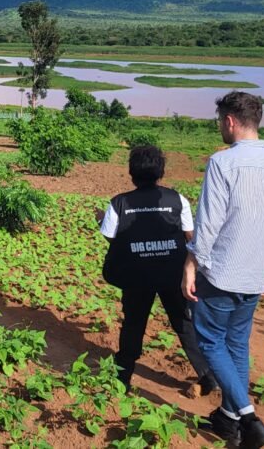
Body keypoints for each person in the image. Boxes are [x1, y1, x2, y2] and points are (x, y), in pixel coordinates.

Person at [183, 91, 264, 449]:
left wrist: (191, 263)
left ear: (230, 121)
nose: (220, 127)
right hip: (257, 273)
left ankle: (248, 418)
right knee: (236, 343)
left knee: (210, 340)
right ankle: (229, 420)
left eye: (220, 121)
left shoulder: (223, 164)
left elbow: (209, 223)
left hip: (222, 272)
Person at [100, 144, 216, 393]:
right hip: (172, 273)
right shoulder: (177, 199)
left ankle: (123, 378)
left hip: (136, 275)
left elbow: (111, 237)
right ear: (160, 172)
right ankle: (207, 376)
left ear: (132, 172)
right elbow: (190, 236)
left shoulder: (119, 203)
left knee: (133, 323)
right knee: (183, 322)